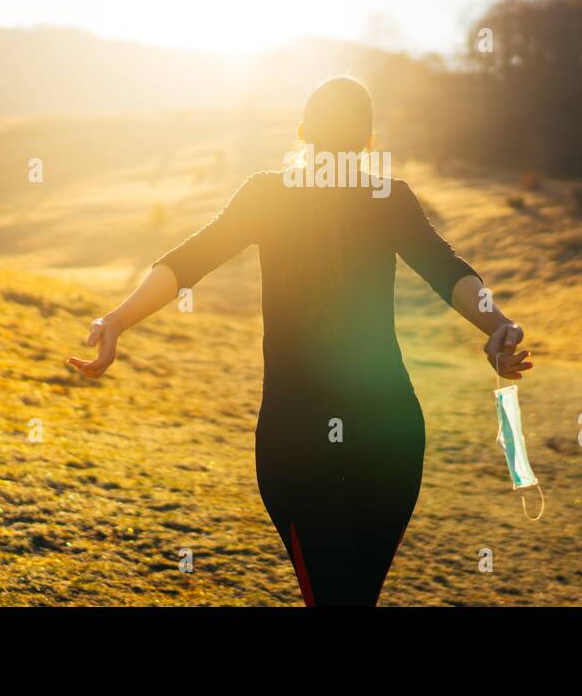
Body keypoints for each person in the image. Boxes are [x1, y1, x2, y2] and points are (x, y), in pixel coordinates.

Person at [68, 76, 531, 606]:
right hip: (391, 436)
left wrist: (116, 321)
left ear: (302, 130)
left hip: (299, 438)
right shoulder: (388, 198)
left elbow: (188, 261)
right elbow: (448, 270)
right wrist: (498, 325)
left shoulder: (269, 195)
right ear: (369, 140)